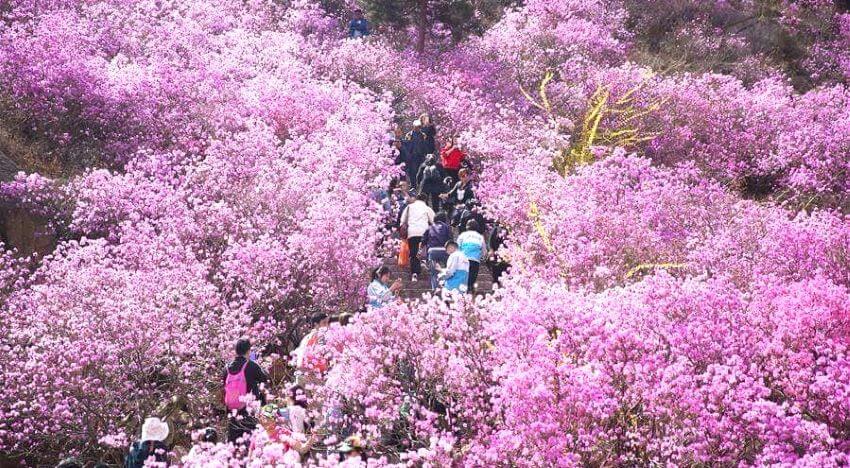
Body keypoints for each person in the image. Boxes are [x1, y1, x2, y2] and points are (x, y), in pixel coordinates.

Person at [223, 338, 269, 445]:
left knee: (234, 444)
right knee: (250, 442)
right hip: (248, 410)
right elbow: (265, 379)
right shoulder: (251, 365)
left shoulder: (227, 368)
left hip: (232, 410)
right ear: (248, 351)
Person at [399, 193, 435, 282]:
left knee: (414, 253)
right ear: (425, 200)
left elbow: (402, 220)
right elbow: (434, 221)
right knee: (424, 250)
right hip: (424, 232)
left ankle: (414, 273)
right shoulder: (427, 208)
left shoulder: (409, 207)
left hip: (412, 232)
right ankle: (425, 264)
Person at [422, 212, 452, 290]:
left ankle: (435, 289)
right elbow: (450, 240)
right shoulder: (447, 227)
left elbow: (423, 240)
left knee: (433, 272)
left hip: (432, 251)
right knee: (446, 270)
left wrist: (421, 250)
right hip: (444, 250)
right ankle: (446, 288)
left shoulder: (430, 227)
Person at [457, 220, 487, 293]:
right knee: (472, 276)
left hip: (464, 259)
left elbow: (457, 247)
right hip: (475, 260)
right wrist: (482, 257)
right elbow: (484, 250)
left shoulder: (462, 235)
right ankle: (470, 288)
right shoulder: (480, 237)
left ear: (467, 227)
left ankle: (464, 290)